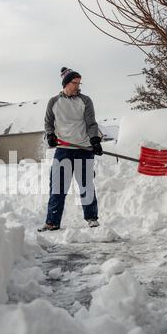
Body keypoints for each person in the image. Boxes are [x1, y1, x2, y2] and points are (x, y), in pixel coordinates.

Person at [38, 67, 103, 232]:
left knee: (86, 185)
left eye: (79, 83)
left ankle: (92, 218)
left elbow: (91, 122)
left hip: (84, 148)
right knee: (58, 187)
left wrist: (94, 140)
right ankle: (52, 222)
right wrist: (50, 135)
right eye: (75, 83)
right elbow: (48, 122)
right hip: (63, 149)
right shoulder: (53, 102)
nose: (78, 86)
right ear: (66, 83)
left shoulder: (85, 100)